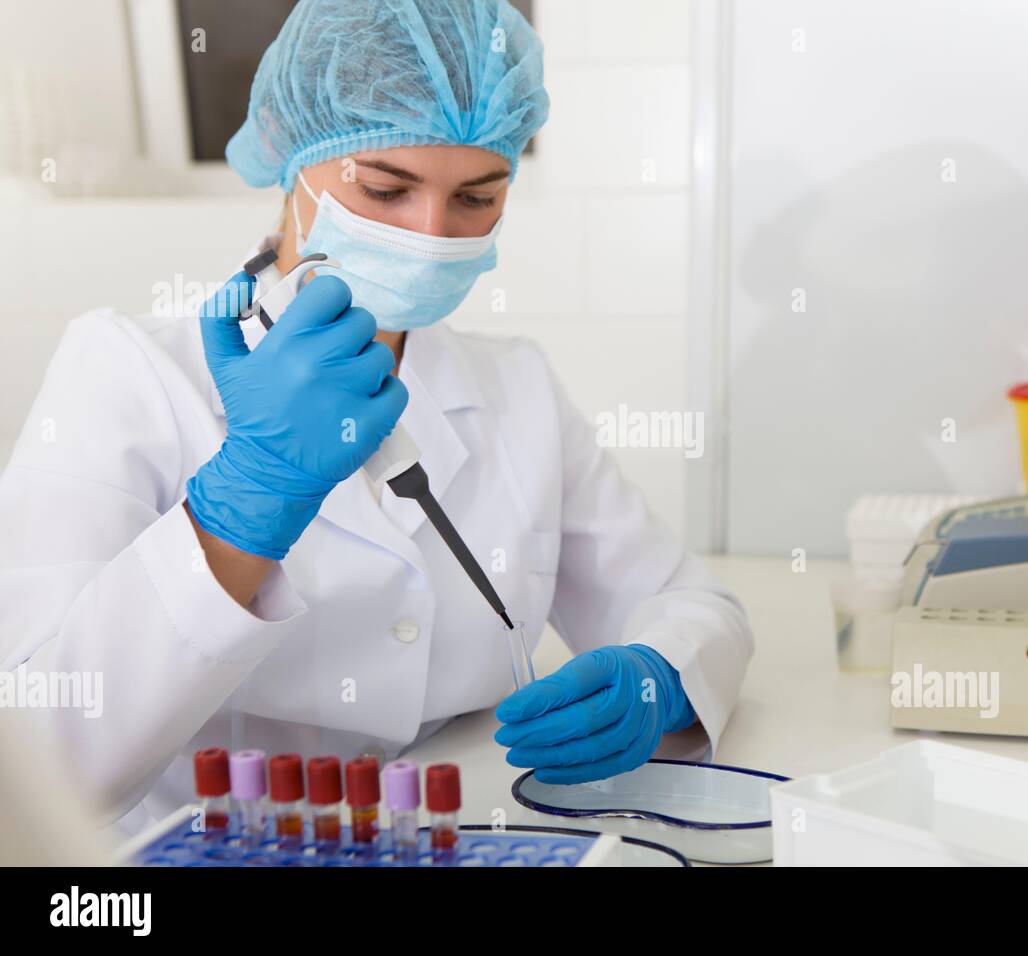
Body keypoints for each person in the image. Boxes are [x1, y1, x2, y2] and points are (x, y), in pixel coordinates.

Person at [0, 0, 751, 835]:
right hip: (202, 846)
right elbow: (37, 758)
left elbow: (690, 601)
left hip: (462, 833)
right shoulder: (128, 369)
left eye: (476, 197)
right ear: (289, 155)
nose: (431, 234)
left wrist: (659, 675)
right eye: (387, 188)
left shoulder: (518, 384)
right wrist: (244, 501)